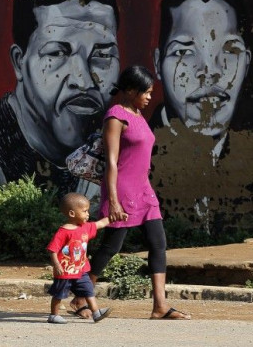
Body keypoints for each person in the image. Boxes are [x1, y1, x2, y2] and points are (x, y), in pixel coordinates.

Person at [0, 0, 120, 198]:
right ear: (19, 62)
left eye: (102, 55)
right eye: (57, 53)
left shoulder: (117, 141)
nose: (83, 81)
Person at [71, 65, 191, 320]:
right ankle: (80, 296)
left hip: (144, 190)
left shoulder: (136, 113)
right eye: (145, 92)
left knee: (158, 243)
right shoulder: (115, 117)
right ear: (129, 90)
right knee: (111, 246)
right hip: (122, 190)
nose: (149, 97)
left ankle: (159, 306)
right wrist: (113, 201)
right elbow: (112, 162)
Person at [151, 0, 253, 235]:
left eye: (229, 49)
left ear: (246, 62)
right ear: (158, 64)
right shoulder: (138, 153)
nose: (210, 71)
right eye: (184, 52)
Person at [46, 192, 114, 324]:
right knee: (59, 294)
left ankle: (96, 312)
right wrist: (57, 265)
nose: (88, 214)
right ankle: (53, 315)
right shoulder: (63, 232)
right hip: (65, 272)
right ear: (72, 213)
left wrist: (114, 218)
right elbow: (52, 250)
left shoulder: (85, 227)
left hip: (81, 270)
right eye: (84, 211)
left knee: (89, 290)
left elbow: (100, 224)